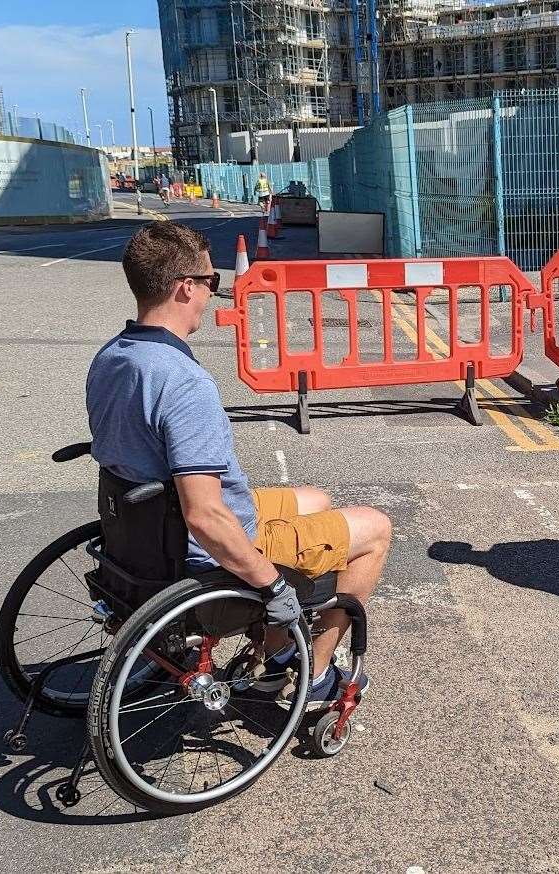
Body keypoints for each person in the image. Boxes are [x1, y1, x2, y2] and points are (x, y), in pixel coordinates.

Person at [86, 223, 391, 706]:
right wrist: (270, 584)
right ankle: (311, 672)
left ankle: (270, 653)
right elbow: (206, 516)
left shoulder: (113, 357)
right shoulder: (183, 383)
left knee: (316, 500)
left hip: (143, 537)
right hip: (204, 551)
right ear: (186, 286)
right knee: (374, 528)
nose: (214, 293)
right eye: (212, 282)